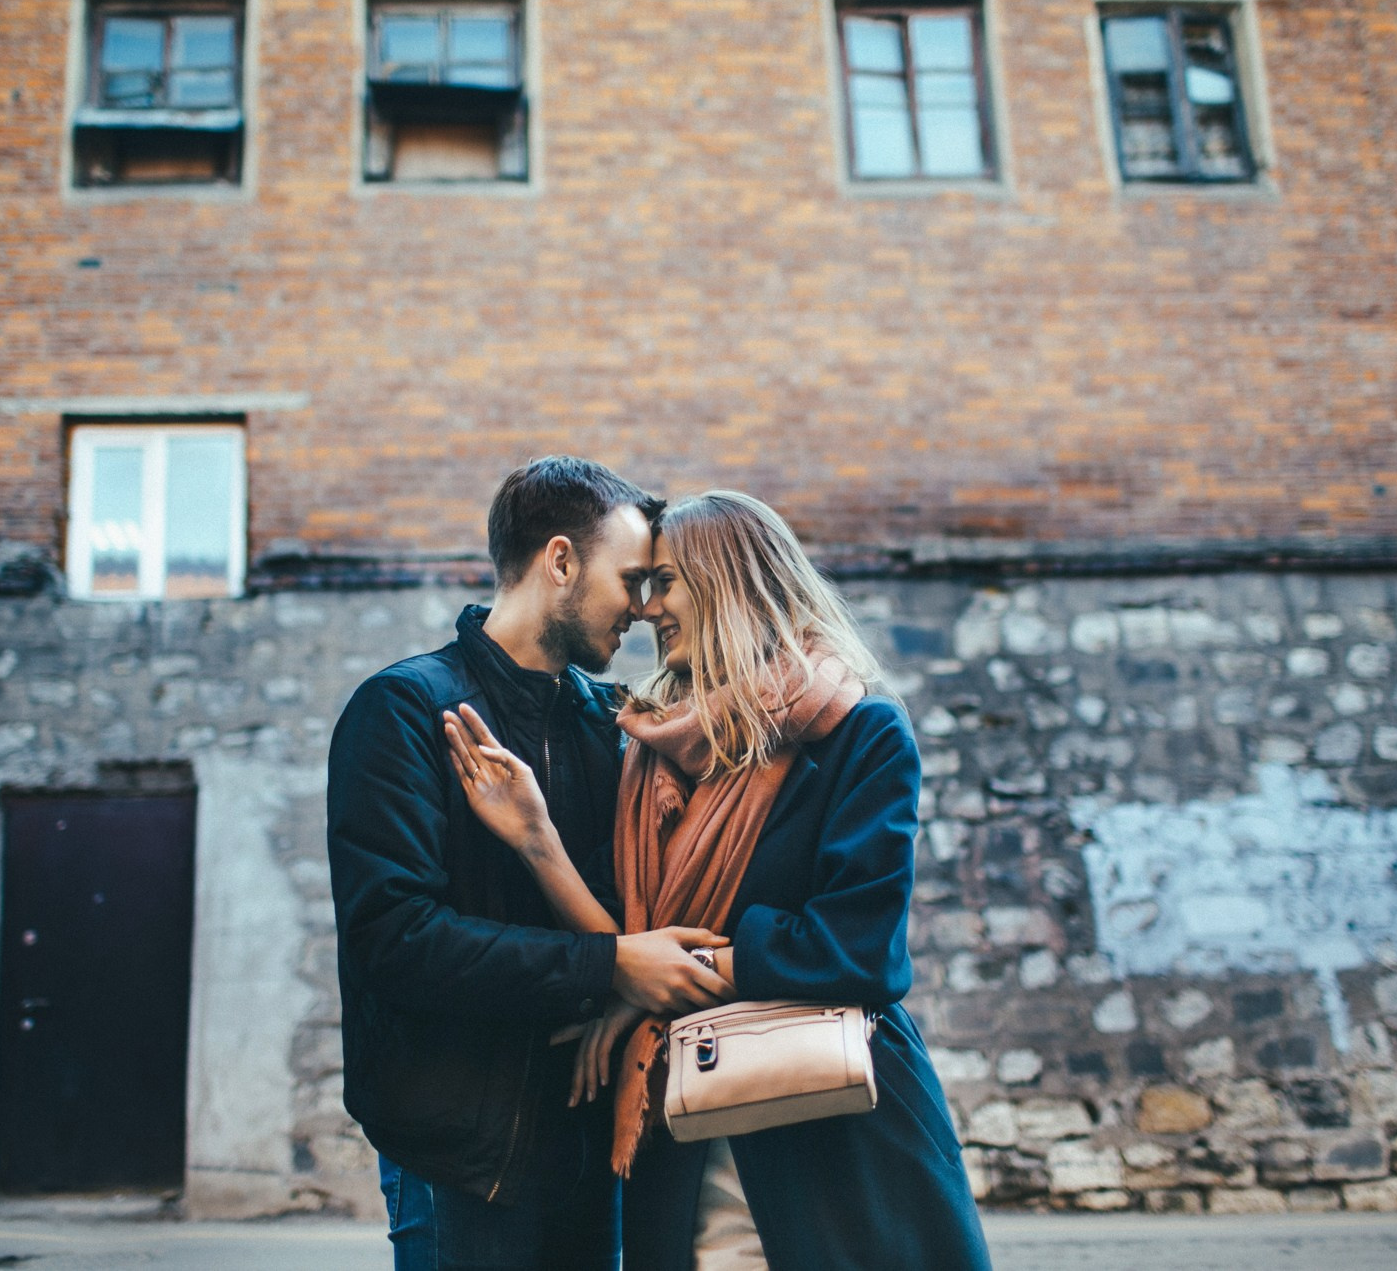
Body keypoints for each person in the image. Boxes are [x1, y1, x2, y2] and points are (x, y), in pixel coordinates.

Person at [442, 490, 992, 1271]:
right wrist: (537, 840)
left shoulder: (859, 733)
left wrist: (663, 977)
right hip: (684, 1141)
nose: (646, 604)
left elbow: (858, 952)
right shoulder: (647, 754)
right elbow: (620, 941)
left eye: (664, 580)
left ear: (728, 580)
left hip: (834, 1136)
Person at [327, 457, 735, 1271]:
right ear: (559, 562)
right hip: (460, 1158)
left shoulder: (611, 728)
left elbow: (638, 910)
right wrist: (608, 964)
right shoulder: (406, 710)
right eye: (632, 579)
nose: (645, 607)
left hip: (588, 1151)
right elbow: (399, 941)